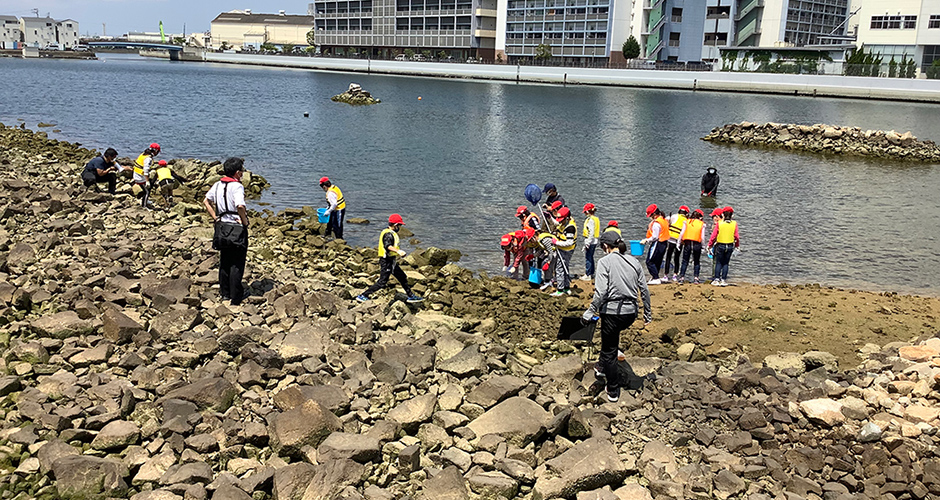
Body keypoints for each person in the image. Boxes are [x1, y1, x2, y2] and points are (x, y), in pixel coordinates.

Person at [582, 231, 652, 403]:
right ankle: (601, 365)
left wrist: (590, 311)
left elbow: (601, 292)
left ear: (605, 246)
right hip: (631, 313)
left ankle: (612, 389)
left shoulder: (604, 262)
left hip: (613, 312)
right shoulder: (634, 261)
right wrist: (647, 314)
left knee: (610, 350)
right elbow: (644, 289)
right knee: (610, 340)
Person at [204, 158, 250, 305]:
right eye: (242, 171)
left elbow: (206, 201)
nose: (242, 173)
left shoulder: (217, 184)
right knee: (237, 262)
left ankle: (225, 293)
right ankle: (236, 296)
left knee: (224, 260)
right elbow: (240, 206)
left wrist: (215, 217)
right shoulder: (237, 187)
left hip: (222, 226)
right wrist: (244, 222)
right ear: (237, 173)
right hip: (236, 228)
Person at [357, 214, 424, 303]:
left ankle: (410, 296)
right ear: (395, 225)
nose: (400, 227)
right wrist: (398, 251)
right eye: (399, 225)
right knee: (382, 282)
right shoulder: (388, 234)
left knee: (402, 277)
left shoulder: (390, 232)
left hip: (392, 260)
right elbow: (387, 246)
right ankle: (363, 295)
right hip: (386, 261)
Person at [707, 206, 740, 286]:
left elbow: (714, 236)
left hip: (720, 245)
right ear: (732, 215)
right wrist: (737, 246)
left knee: (718, 262)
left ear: (723, 215)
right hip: (729, 246)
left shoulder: (719, 223)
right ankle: (723, 280)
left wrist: (709, 245)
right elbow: (736, 237)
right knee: (726, 263)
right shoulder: (734, 224)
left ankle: (716, 279)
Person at [639, 204, 669, 285]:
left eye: (650, 215)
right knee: (657, 261)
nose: (650, 217)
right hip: (664, 243)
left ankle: (656, 278)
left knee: (649, 261)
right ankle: (655, 277)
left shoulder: (656, 223)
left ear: (654, 214)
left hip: (657, 243)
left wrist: (646, 240)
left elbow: (655, 236)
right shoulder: (664, 220)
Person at [550, 207, 577, 296]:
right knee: (564, 267)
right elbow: (557, 223)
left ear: (567, 218)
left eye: (561, 219)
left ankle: (560, 290)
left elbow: (569, 242)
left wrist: (556, 242)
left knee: (560, 269)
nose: (560, 221)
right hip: (563, 249)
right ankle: (566, 287)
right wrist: (549, 217)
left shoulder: (570, 228)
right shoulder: (565, 222)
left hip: (566, 250)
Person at [678, 209, 706, 284]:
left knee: (685, 261)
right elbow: (702, 237)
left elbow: (682, 233)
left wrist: (678, 243)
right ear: (700, 217)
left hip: (687, 243)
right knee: (696, 262)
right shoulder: (702, 224)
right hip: (697, 244)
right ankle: (696, 278)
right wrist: (703, 247)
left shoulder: (686, 222)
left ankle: (681, 277)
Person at [663, 206, 690, 282]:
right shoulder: (687, 220)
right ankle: (675, 275)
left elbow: (666, 220)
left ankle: (666, 275)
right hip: (680, 241)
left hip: (671, 239)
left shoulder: (674, 216)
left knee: (668, 257)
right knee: (677, 258)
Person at [134, 143, 161, 208]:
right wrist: (147, 181)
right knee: (147, 191)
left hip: (136, 174)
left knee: (151, 183)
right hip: (140, 177)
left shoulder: (144, 154)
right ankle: (144, 206)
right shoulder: (148, 158)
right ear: (156, 151)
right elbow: (146, 171)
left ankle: (146, 200)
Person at [581, 203, 600, 281]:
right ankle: (592, 273)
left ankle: (588, 274)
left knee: (588, 258)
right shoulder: (596, 219)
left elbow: (591, 232)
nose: (585, 213)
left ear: (588, 212)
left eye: (585, 212)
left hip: (591, 241)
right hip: (594, 240)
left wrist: (587, 243)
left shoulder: (591, 220)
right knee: (591, 257)